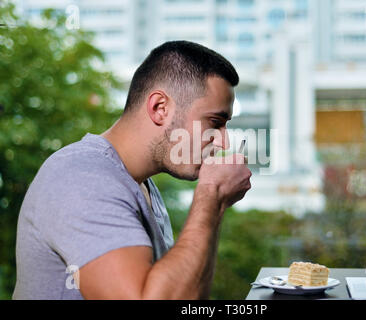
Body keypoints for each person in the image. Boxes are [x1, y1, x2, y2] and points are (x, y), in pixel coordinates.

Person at [13, 40, 252, 300]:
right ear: (160, 108)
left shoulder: (141, 185)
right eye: (214, 123)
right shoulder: (82, 177)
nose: (223, 142)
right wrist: (212, 194)